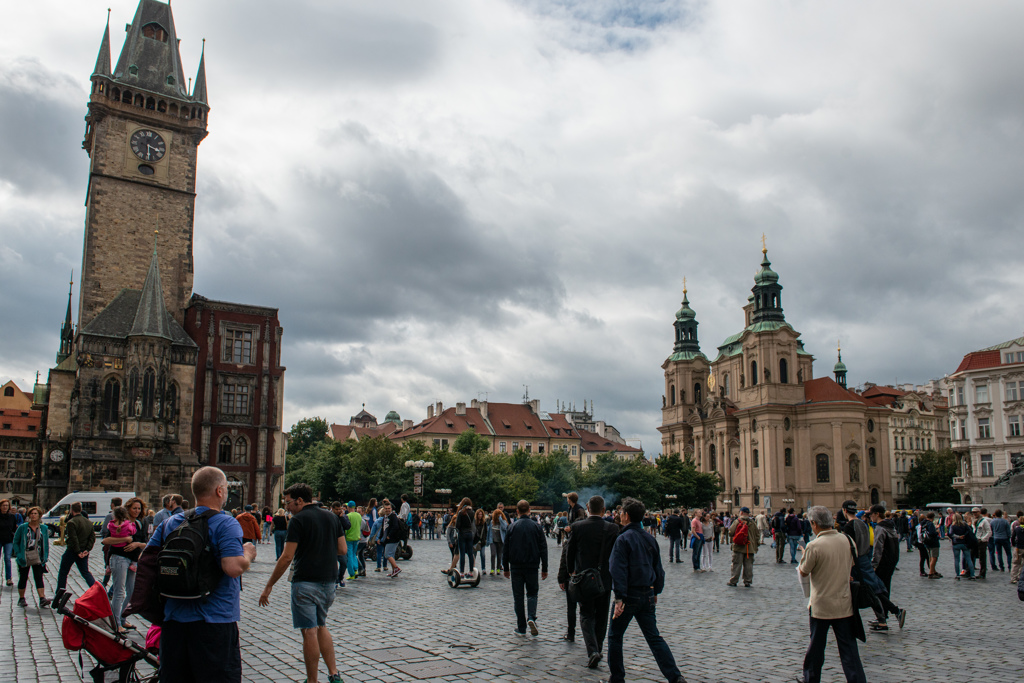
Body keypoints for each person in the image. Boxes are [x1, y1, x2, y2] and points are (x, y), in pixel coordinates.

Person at [149, 466, 256, 682]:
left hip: (174, 622)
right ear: (219, 491)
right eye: (225, 488)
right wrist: (248, 554)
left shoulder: (170, 522)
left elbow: (148, 560)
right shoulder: (226, 523)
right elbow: (232, 567)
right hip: (214, 621)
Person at [259, 483, 344, 683]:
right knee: (322, 625)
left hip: (305, 581)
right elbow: (342, 549)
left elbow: (287, 557)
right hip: (329, 581)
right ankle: (334, 674)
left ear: (299, 500)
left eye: (288, 502)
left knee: (309, 631)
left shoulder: (298, 520)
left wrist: (269, 585)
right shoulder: (332, 516)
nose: (287, 507)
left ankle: (312, 680)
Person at [606, 497, 684, 683]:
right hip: (647, 595)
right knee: (654, 638)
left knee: (615, 636)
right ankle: (675, 677)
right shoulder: (649, 538)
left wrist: (619, 598)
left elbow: (618, 570)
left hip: (628, 596)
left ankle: (617, 678)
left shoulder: (623, 538)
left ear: (625, 515)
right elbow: (658, 569)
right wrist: (656, 591)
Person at [797, 506, 867, 683]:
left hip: (821, 605)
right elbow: (851, 565)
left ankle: (811, 680)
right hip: (844, 603)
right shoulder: (848, 540)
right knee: (849, 649)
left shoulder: (814, 545)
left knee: (816, 648)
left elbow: (804, 571)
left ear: (814, 523)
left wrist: (805, 555)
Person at [565, 495, 619, 669]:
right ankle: (599, 647)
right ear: (603, 510)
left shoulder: (578, 527)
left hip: (584, 577)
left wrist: (570, 571)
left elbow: (570, 551)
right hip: (604, 578)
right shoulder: (612, 528)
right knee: (602, 616)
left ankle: (592, 650)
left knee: (586, 615)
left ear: (588, 508)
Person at [502, 500, 548, 637]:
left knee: (518, 597)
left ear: (517, 511)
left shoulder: (512, 527)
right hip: (532, 565)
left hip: (516, 566)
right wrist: (544, 567)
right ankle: (532, 617)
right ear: (529, 510)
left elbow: (506, 549)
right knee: (532, 594)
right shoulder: (537, 527)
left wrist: (505, 567)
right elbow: (543, 549)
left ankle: (521, 626)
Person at [103, 497, 147, 631]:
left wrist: (137, 544)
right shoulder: (119, 523)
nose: (137, 511)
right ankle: (115, 623)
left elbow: (146, 543)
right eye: (134, 508)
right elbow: (105, 540)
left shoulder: (140, 524)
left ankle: (121, 618)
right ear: (128, 508)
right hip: (119, 558)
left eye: (139, 508)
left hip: (133, 560)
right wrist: (125, 539)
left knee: (132, 591)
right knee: (119, 591)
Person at [867, 505, 907, 631]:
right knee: (885, 589)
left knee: (876, 590)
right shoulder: (891, 526)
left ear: (877, 514)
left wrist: (873, 565)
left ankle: (896, 611)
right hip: (891, 561)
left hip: (882, 563)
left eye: (871, 514)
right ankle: (883, 618)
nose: (869, 516)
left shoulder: (880, 527)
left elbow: (878, 547)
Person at [56, 501, 97, 594]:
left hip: (72, 551)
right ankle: (97, 590)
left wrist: (78, 551)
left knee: (63, 572)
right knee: (85, 572)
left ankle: (59, 592)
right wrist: (87, 550)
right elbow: (92, 538)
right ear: (81, 509)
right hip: (84, 551)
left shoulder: (72, 522)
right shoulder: (88, 522)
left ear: (71, 510)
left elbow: (73, 538)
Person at [13, 506, 50, 608]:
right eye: (31, 514)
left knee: (38, 577)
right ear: (29, 515)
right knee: (23, 577)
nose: (33, 515)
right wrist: (19, 554)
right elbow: (16, 541)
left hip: (38, 556)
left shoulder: (44, 528)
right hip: (25, 556)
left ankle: (42, 598)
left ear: (39, 515)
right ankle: (21, 598)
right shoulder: (23, 528)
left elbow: (45, 543)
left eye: (35, 514)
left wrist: (45, 556)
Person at [726, 507, 761, 587]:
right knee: (749, 565)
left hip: (738, 547)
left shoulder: (737, 521)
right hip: (750, 547)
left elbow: (731, 532)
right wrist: (756, 545)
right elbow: (757, 534)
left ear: (741, 513)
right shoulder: (752, 522)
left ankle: (733, 581)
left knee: (736, 564)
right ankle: (748, 581)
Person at [949, 513, 976, 580]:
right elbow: (969, 531)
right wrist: (964, 535)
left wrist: (958, 537)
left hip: (956, 544)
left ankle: (957, 575)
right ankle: (972, 574)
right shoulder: (964, 524)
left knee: (957, 560)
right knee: (969, 559)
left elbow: (950, 534)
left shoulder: (953, 525)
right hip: (965, 543)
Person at [380, 501, 403, 577]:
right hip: (388, 538)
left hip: (393, 539)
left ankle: (396, 568)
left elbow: (395, 527)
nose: (387, 510)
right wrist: (380, 537)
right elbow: (383, 528)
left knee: (387, 554)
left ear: (391, 508)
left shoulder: (393, 516)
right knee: (391, 555)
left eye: (389, 508)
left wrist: (389, 535)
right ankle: (394, 571)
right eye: (386, 508)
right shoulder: (385, 517)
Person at [453, 498, 476, 575]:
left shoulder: (461, 512)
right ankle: (471, 571)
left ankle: (462, 572)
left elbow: (457, 525)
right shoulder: (472, 512)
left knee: (462, 553)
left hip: (462, 533)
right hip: (470, 533)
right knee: (470, 553)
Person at [0, 498, 19, 587]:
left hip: (8, 540)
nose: (5, 507)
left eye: (6, 505)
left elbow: (14, 528)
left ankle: (8, 578)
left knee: (7, 558)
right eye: (3, 505)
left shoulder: (12, 517)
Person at [343, 501, 362, 581]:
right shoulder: (359, 515)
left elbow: (346, 528)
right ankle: (356, 569)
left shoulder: (347, 516)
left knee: (349, 556)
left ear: (349, 507)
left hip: (349, 538)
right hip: (357, 537)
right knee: (354, 554)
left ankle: (352, 573)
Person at [921, 512, 942, 578]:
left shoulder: (923, 523)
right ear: (932, 517)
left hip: (926, 541)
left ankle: (933, 570)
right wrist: (937, 533)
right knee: (934, 557)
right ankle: (931, 573)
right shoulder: (930, 524)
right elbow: (932, 533)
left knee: (930, 557)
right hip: (933, 542)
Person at [971, 507, 991, 579]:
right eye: (973, 512)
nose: (974, 514)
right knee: (972, 555)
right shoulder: (974, 521)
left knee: (982, 558)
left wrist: (983, 539)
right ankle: (970, 571)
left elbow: (989, 532)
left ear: (979, 512)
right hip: (975, 540)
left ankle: (982, 573)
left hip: (981, 541)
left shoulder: (984, 521)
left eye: (976, 512)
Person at [488, 508, 507, 576]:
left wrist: (501, 519)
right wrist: (488, 540)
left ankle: (498, 568)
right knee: (493, 554)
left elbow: (505, 527)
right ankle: (492, 569)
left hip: (500, 541)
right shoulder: (492, 522)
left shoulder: (503, 522)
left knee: (499, 555)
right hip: (493, 541)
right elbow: (489, 532)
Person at [473, 507, 489, 573]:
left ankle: (483, 568)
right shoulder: (474, 522)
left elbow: (485, 531)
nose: (480, 516)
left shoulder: (484, 523)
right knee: (474, 555)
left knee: (482, 554)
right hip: (475, 541)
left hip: (482, 541)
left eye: (481, 514)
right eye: (479, 514)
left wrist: (485, 539)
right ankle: (472, 567)